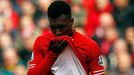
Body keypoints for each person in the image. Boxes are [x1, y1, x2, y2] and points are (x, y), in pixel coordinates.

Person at [27, 1, 104, 75]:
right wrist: (52, 54)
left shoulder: (90, 45)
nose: (57, 32)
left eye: (61, 27)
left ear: (71, 22)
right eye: (53, 27)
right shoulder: (41, 42)